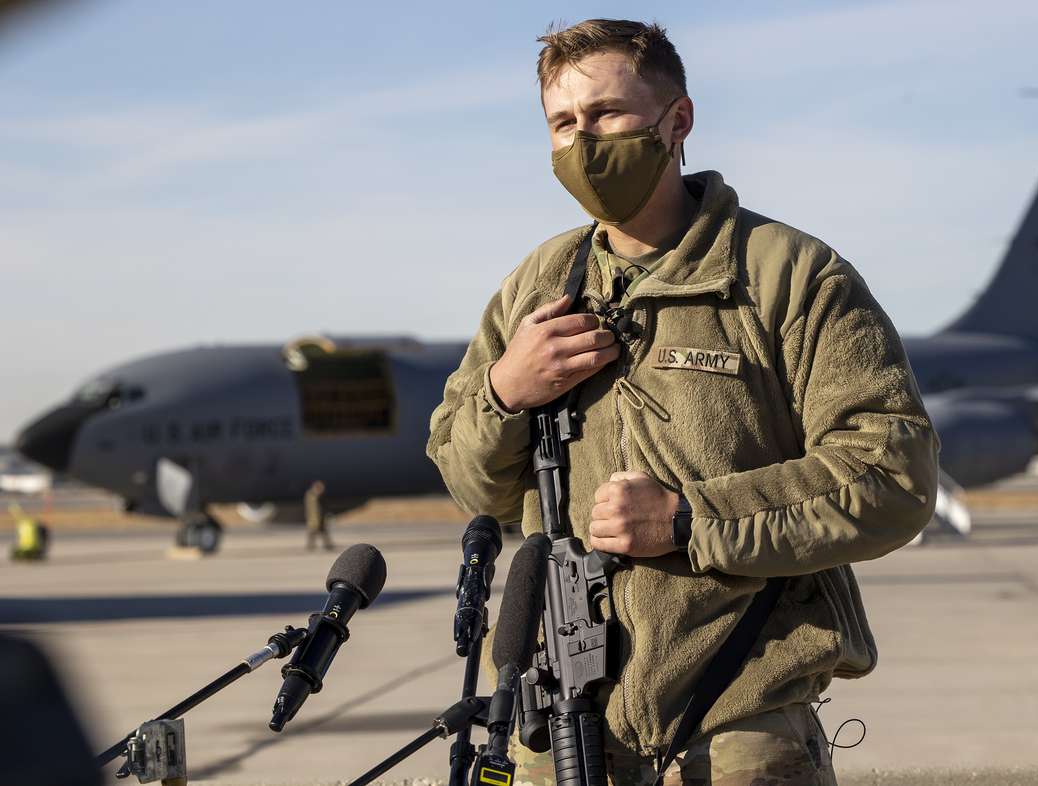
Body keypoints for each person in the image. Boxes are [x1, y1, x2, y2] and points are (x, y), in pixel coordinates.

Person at [427, 19, 939, 786]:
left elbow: (892, 476)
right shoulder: (539, 284)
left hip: (740, 726)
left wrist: (688, 522)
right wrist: (507, 391)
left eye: (606, 115)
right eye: (563, 124)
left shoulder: (788, 275)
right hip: (560, 724)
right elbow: (476, 485)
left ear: (679, 120)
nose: (584, 142)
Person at [303, 480, 334, 551]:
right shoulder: (312, 496)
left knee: (323, 532)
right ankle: (311, 546)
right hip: (314, 519)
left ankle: (328, 545)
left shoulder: (319, 497)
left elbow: (324, 508)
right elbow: (312, 509)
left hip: (320, 519)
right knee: (312, 533)